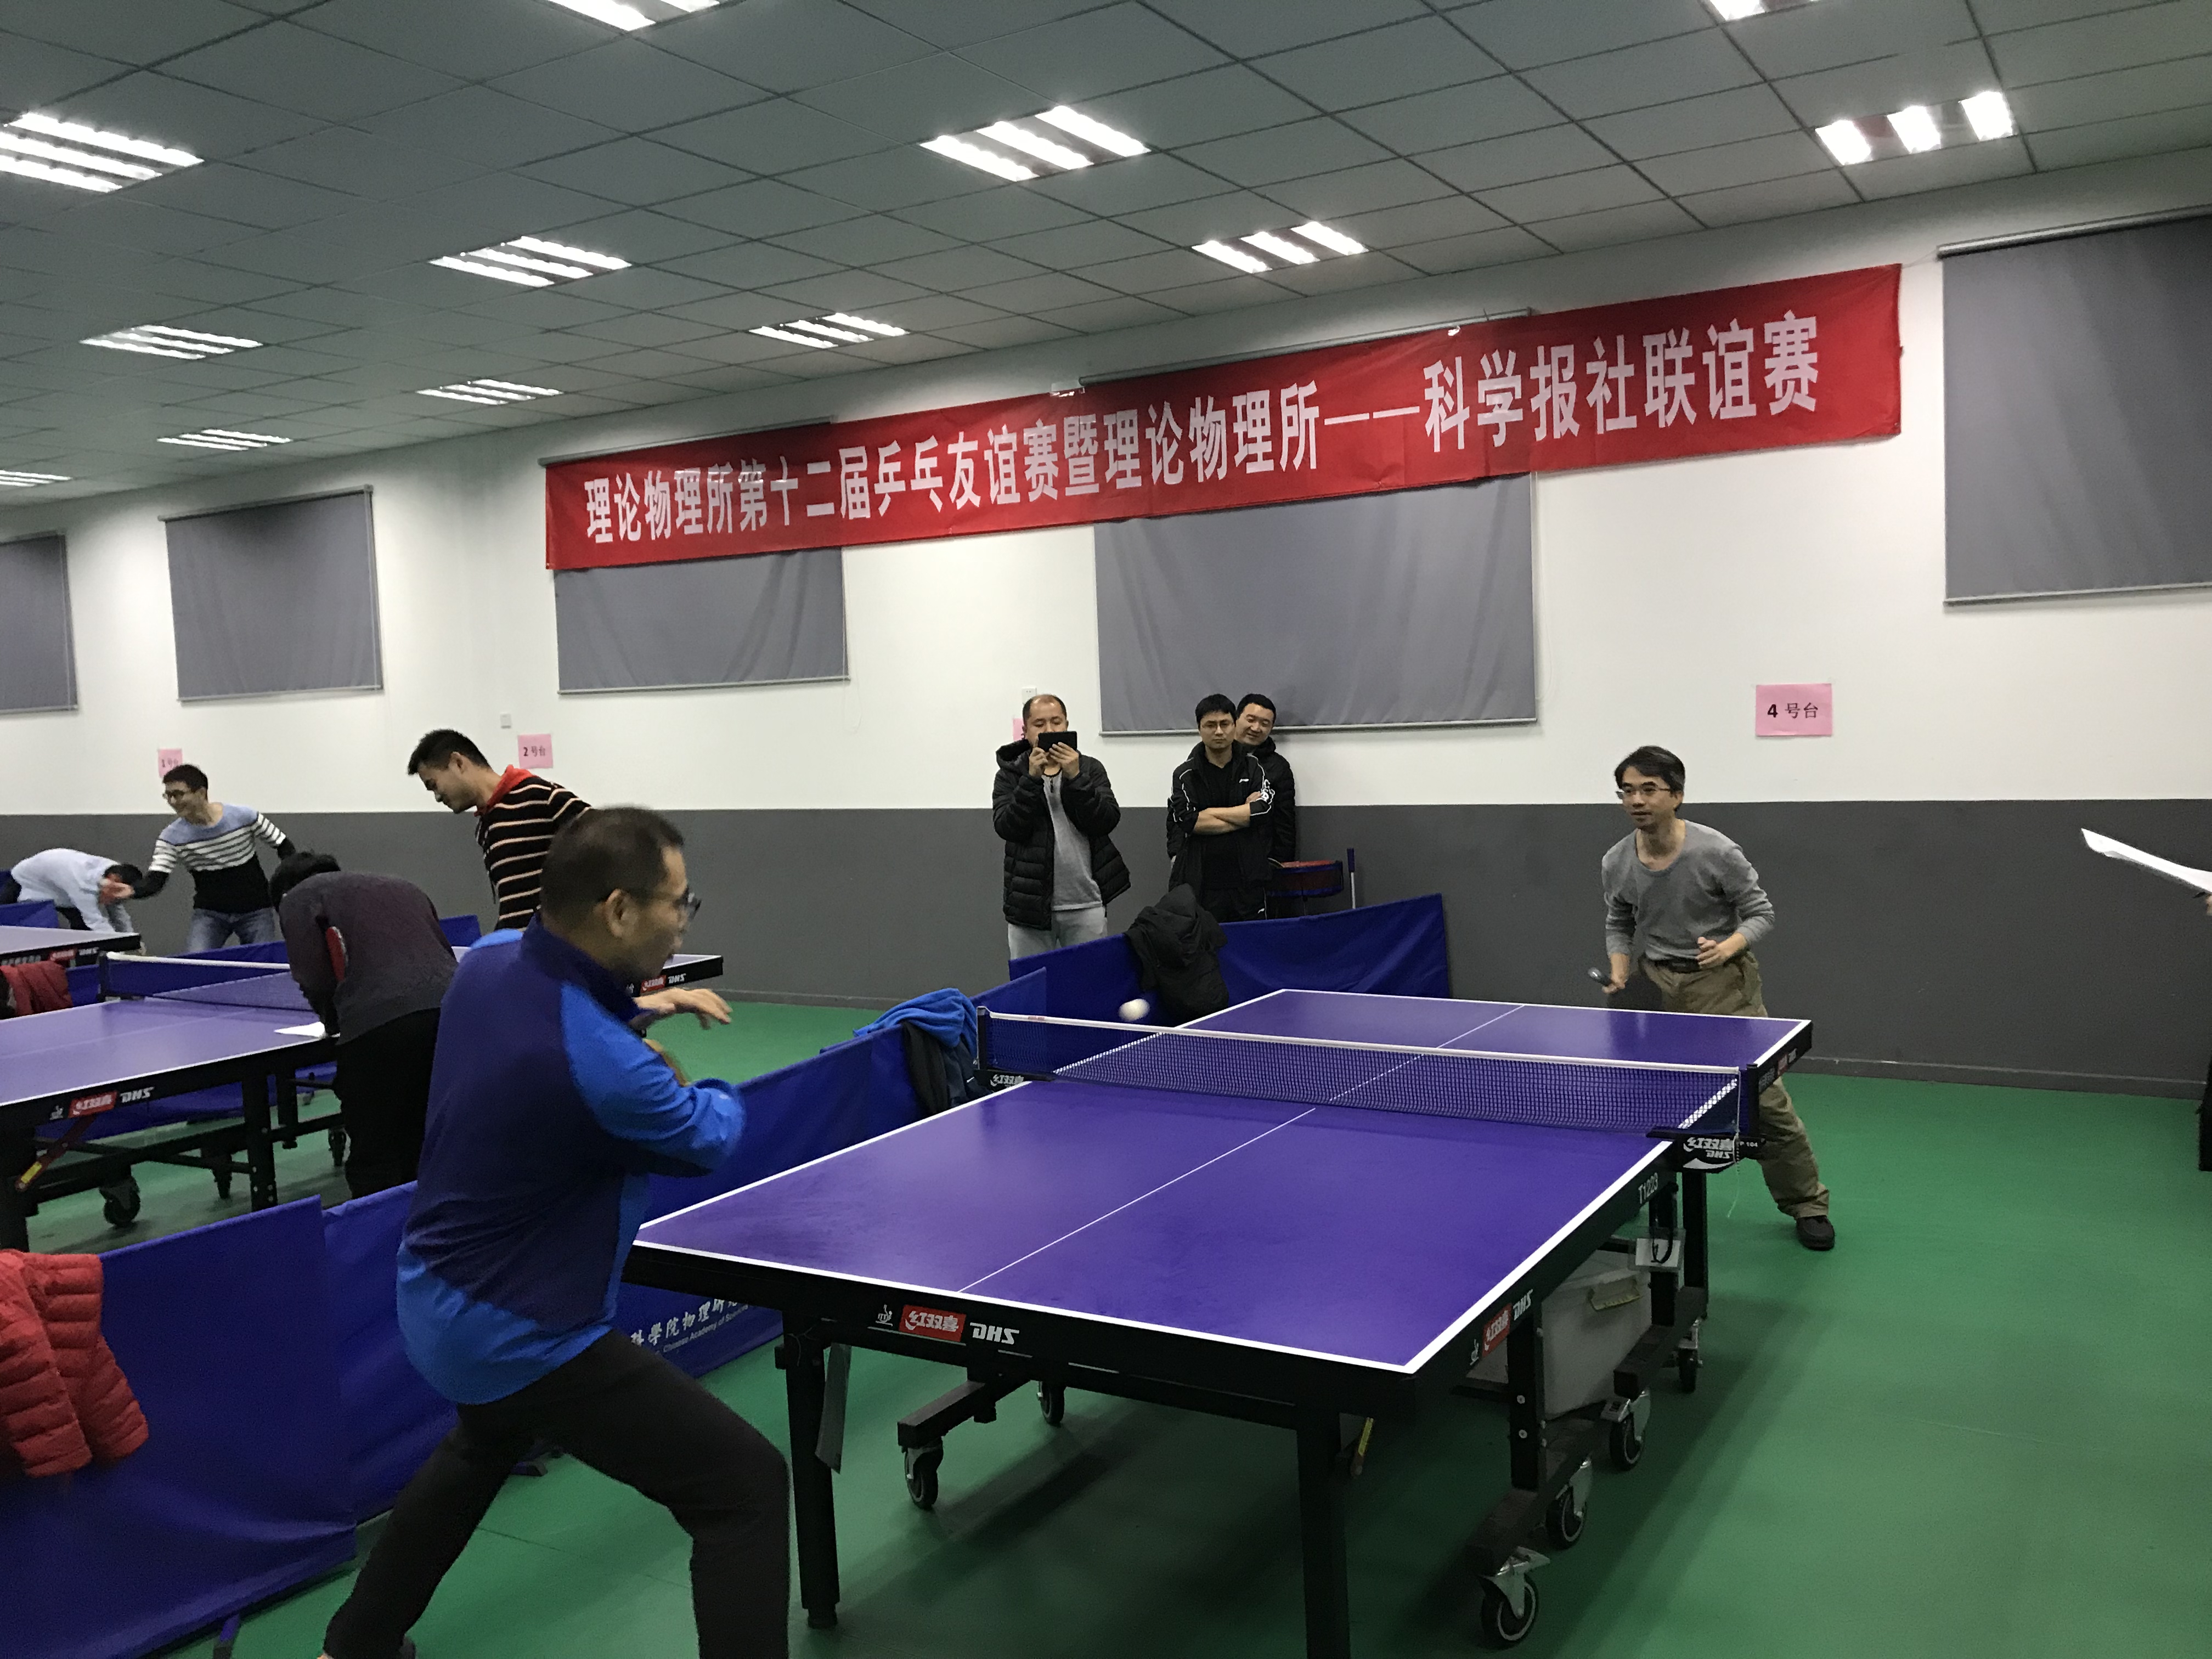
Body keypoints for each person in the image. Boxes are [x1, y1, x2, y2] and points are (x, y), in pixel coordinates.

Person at [318, 808, 788, 1659]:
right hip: (520, 1329)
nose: (685, 920)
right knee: (743, 1488)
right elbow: (705, 1136)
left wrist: (632, 1011)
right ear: (619, 910)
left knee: (482, 1443)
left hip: (433, 1289)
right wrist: (692, 1075)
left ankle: (355, 1646)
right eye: (679, 902)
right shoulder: (611, 1072)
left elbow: (554, 1022)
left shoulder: (490, 959)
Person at [1597, 745, 1835, 1251]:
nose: (1636, 800)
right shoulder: (1616, 860)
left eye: (1648, 789)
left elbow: (1761, 913)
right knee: (1645, 1098)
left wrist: (1728, 946)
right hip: (1657, 985)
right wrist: (1620, 965)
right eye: (1627, 791)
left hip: (1722, 987)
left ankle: (1807, 1203)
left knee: (1763, 1100)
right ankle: (1630, 1193)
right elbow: (1619, 919)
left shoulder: (1716, 852)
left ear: (1677, 795)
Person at [271, 851, 455, 1198]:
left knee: (377, 1156)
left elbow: (312, 976)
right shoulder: (402, 885)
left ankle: (381, 1225)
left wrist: (332, 1022)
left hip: (379, 1028)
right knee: (434, 1139)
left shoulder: (297, 898)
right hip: (455, 1015)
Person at [407, 729, 590, 933]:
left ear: (458, 763)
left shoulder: (541, 795)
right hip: (521, 946)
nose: (437, 797)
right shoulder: (485, 827)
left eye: (434, 785)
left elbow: (605, 844)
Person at [992, 693, 1130, 959]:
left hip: (1086, 901)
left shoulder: (1089, 768)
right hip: (1029, 906)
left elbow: (1107, 820)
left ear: (1067, 725)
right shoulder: (1011, 774)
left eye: (1056, 722)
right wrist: (1031, 779)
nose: (1049, 730)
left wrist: (1076, 777)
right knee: (1032, 981)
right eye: (1039, 724)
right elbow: (1007, 827)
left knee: (1088, 980)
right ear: (1025, 731)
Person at [133, 765, 295, 950]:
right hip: (210, 914)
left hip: (256, 911)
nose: (173, 801)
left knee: (262, 962)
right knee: (198, 963)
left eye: (178, 794)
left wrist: (288, 886)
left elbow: (284, 846)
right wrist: (132, 890)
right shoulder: (171, 837)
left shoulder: (244, 817)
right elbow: (156, 879)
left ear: (201, 793)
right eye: (168, 795)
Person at [1166, 693, 1276, 923]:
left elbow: (1263, 810)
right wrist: (1243, 814)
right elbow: (1188, 821)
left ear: (1234, 725)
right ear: (1199, 728)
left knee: (1253, 941)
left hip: (1248, 881)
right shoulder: (1185, 774)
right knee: (1206, 943)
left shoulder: (1253, 767)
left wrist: (1210, 814)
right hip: (1201, 883)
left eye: (1225, 724)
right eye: (1211, 725)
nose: (1219, 731)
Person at [2, 849, 141, 933]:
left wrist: (131, 938)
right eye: (115, 895)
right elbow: (96, 922)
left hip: (61, 884)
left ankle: (87, 969)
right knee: (3, 915)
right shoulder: (81, 885)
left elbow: (118, 914)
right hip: (26, 877)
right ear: (112, 879)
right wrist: (124, 947)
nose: (115, 900)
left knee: (85, 933)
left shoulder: (115, 873)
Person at [1233, 694, 1297, 866]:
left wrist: (1280, 864)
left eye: (1265, 723)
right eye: (1251, 720)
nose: (1256, 728)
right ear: (1236, 719)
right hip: (1214, 856)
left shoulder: (1279, 767)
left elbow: (1284, 824)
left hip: (1259, 862)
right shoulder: (1209, 757)